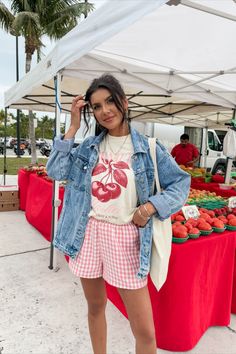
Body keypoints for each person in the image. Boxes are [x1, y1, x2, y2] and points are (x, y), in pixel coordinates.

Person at [46, 74, 190, 354]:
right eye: (97, 106)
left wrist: (150, 207)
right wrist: (73, 128)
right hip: (88, 234)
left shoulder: (149, 148)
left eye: (110, 101)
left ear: (124, 102)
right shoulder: (89, 147)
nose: (105, 111)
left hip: (126, 238)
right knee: (96, 307)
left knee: (145, 331)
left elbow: (181, 183)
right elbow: (56, 171)